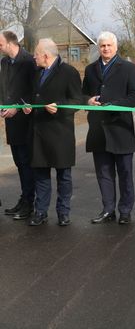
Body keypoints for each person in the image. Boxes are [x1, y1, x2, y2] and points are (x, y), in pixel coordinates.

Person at [82, 31, 135, 225]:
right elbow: (82, 95)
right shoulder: (90, 69)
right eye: (102, 46)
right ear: (98, 48)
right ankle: (108, 210)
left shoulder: (128, 68)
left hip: (120, 128)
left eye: (109, 45)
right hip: (98, 129)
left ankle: (125, 210)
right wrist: (88, 100)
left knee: (125, 172)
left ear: (116, 47)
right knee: (104, 172)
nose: (105, 49)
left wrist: (116, 105)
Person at [22, 38, 82, 226]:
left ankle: (63, 212)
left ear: (46, 56)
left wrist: (60, 107)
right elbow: (33, 96)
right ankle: (41, 212)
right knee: (40, 175)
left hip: (60, 133)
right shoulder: (36, 73)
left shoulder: (69, 72)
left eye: (36, 54)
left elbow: (77, 100)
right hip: (38, 132)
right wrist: (28, 107)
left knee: (63, 175)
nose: (34, 57)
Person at [0, 31, 36, 220]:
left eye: (0, 43)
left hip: (26, 122)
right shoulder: (4, 62)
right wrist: (2, 108)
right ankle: (24, 199)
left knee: (27, 163)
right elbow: (3, 88)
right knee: (19, 163)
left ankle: (30, 203)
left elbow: (35, 91)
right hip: (10, 121)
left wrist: (18, 107)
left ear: (11, 43)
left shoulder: (29, 61)